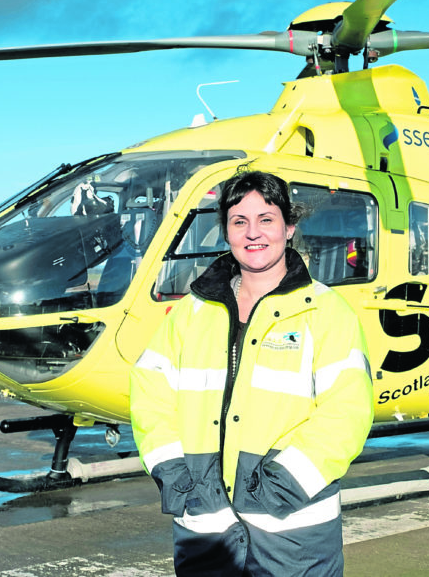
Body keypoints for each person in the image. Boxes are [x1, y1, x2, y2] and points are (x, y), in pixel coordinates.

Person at [130, 169, 374, 576]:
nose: (253, 233)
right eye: (239, 222)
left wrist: (282, 485)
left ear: (289, 227)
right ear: (226, 232)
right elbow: (150, 391)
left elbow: (346, 412)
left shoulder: (327, 312)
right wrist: (176, 475)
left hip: (292, 533)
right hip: (205, 529)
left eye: (266, 219)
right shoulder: (191, 312)